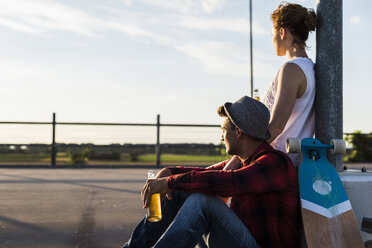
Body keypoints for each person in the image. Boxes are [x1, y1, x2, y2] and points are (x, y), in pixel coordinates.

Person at [123, 96, 301, 248]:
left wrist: (169, 182)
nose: (221, 137)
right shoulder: (244, 162)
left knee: (203, 200)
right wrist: (169, 172)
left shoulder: (275, 162)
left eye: (223, 130)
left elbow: (228, 182)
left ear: (238, 131)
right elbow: (205, 173)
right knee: (177, 192)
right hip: (241, 240)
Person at [225, 3, 317, 169]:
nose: (272, 39)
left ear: (282, 32)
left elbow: (276, 126)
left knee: (193, 183)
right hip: (289, 160)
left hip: (273, 160)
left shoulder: (291, 69)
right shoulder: (311, 68)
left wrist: (240, 158)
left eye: (272, 33)